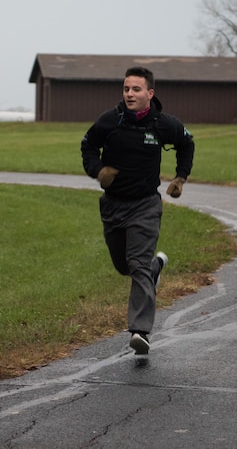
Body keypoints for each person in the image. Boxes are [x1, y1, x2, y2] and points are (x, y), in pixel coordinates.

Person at [80, 66, 195, 355]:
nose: (130, 94)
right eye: (126, 89)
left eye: (136, 89)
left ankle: (140, 331)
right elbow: (88, 146)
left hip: (145, 204)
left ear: (150, 93)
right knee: (125, 266)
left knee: (138, 264)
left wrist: (180, 177)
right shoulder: (110, 120)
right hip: (113, 205)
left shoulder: (163, 124)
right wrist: (98, 170)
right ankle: (156, 267)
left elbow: (186, 143)